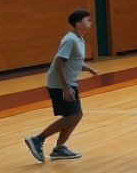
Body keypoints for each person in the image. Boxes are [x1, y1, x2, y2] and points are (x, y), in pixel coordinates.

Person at [24, 9, 99, 162]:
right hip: (60, 83)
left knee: (74, 116)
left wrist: (86, 67)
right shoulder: (70, 39)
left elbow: (73, 60)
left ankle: (59, 148)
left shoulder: (80, 39)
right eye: (87, 20)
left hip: (69, 82)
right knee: (74, 115)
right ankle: (37, 139)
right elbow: (59, 61)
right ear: (78, 24)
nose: (90, 23)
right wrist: (65, 86)